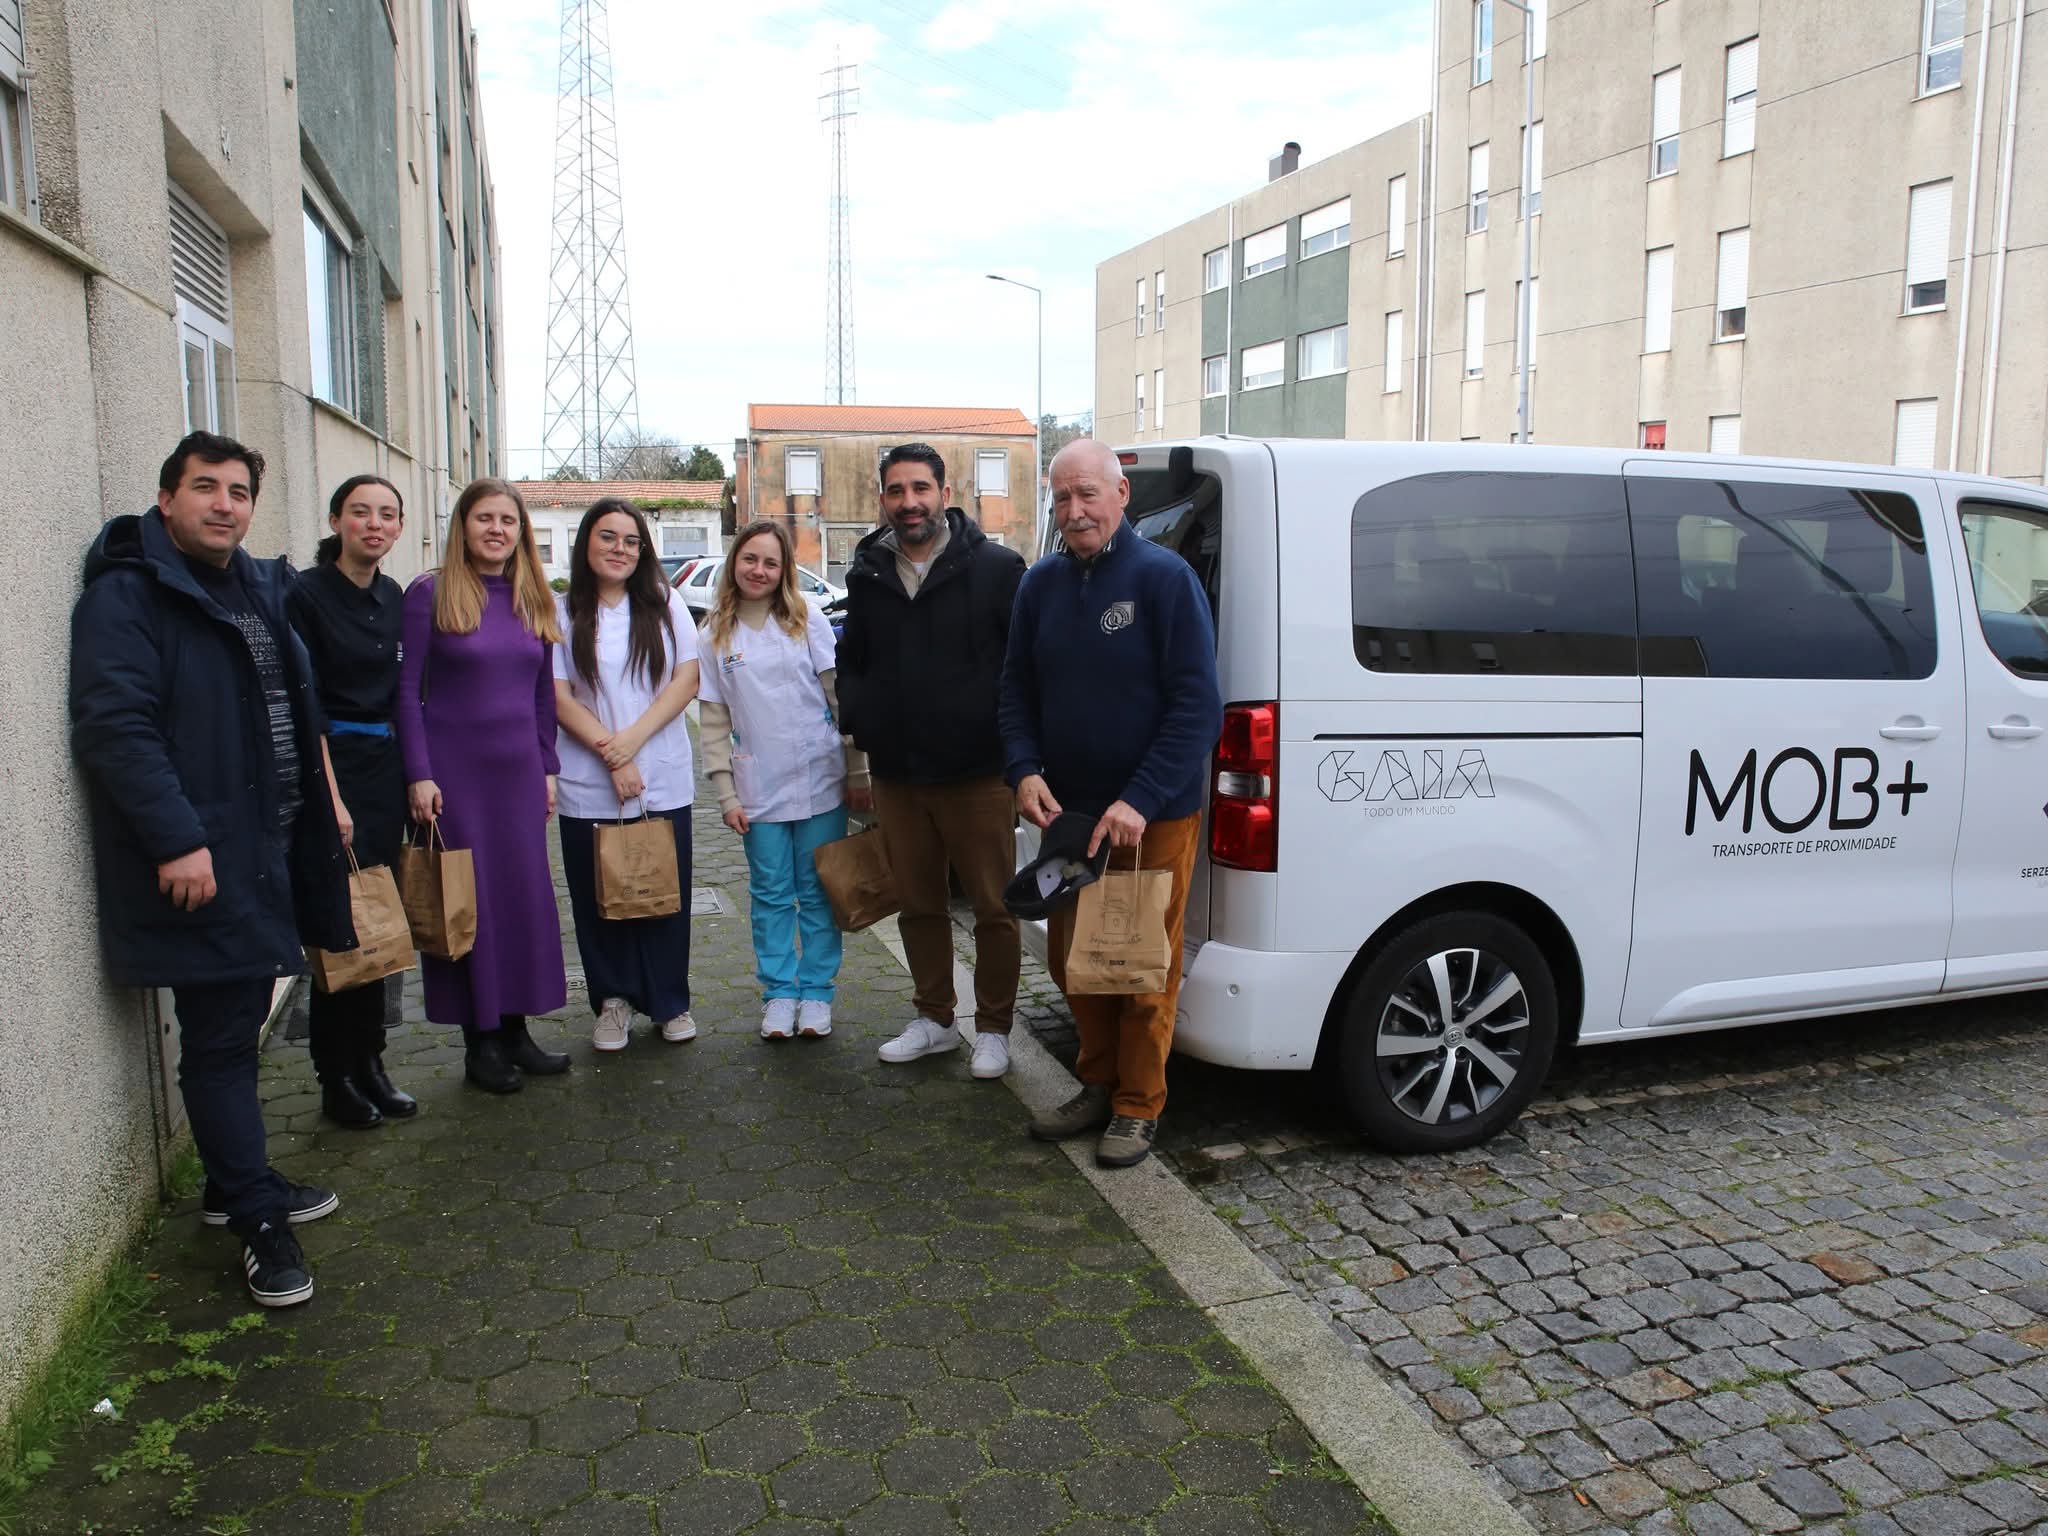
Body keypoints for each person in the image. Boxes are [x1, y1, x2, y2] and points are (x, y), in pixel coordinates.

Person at [71, 431, 353, 1307]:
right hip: (206, 853)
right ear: (167, 500)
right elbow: (115, 726)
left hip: (270, 844)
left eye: (238, 491)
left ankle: (238, 1182)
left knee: (236, 1022)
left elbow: (291, 706)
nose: (224, 504)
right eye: (205, 487)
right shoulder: (128, 596)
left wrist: (325, 803)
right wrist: (175, 839)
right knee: (223, 1036)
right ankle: (257, 1222)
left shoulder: (255, 586)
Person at [999, 440, 1223, 1167]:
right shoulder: (1040, 586)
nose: (1074, 511)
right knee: (1076, 962)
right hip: (1069, 817)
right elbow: (1015, 692)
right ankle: (1096, 1084)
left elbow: (1197, 708)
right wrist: (1024, 770)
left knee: (1140, 969)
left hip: (1147, 818)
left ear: (1121, 495)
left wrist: (1140, 798)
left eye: (1087, 494)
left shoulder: (1165, 579)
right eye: (1062, 497)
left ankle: (1138, 1106)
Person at [836, 443, 1026, 1079]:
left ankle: (994, 1028)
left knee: (994, 908)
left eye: (920, 488)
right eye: (896, 490)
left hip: (979, 775)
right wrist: (864, 727)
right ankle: (936, 1019)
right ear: (883, 499)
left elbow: (1023, 667)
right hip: (899, 775)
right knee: (918, 905)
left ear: (945, 494)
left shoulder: (997, 569)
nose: (909, 502)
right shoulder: (867, 573)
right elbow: (853, 661)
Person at [395, 478, 570, 1093]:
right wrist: (419, 773)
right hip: (456, 778)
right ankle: (482, 1043)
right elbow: (407, 694)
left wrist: (547, 768)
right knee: (471, 905)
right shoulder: (431, 594)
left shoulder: (533, 598)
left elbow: (542, 694)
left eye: (508, 520)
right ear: (462, 527)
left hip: (517, 776)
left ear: (521, 531)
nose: (497, 530)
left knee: (520, 899)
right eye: (484, 519)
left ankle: (517, 1031)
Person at [697, 520, 867, 1039]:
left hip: (821, 779)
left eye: (771, 562)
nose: (759, 570)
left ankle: (815, 993)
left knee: (817, 891)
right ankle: (778, 993)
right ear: (734, 562)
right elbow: (713, 721)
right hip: (757, 786)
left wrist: (857, 769)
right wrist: (725, 793)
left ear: (785, 570)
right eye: (750, 559)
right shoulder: (714, 634)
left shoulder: (807, 618)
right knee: (770, 894)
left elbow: (839, 699)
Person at [285, 475, 419, 1128]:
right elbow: (302, 703)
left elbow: (405, 693)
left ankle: (372, 1063)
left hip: (384, 774)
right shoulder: (304, 595)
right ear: (336, 519)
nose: (374, 524)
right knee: (340, 927)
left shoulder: (394, 597)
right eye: (360, 512)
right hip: (330, 772)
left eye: (387, 514)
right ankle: (334, 1075)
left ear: (398, 528)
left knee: (380, 921)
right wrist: (331, 799)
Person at [553, 498, 702, 1051]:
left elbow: (687, 679)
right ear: (586, 543)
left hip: (660, 774)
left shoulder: (664, 603)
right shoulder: (561, 610)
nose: (620, 549)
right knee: (598, 898)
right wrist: (612, 756)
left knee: (662, 893)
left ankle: (670, 1001)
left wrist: (631, 745)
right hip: (588, 780)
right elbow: (557, 696)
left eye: (631, 541)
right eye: (608, 537)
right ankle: (612, 1001)